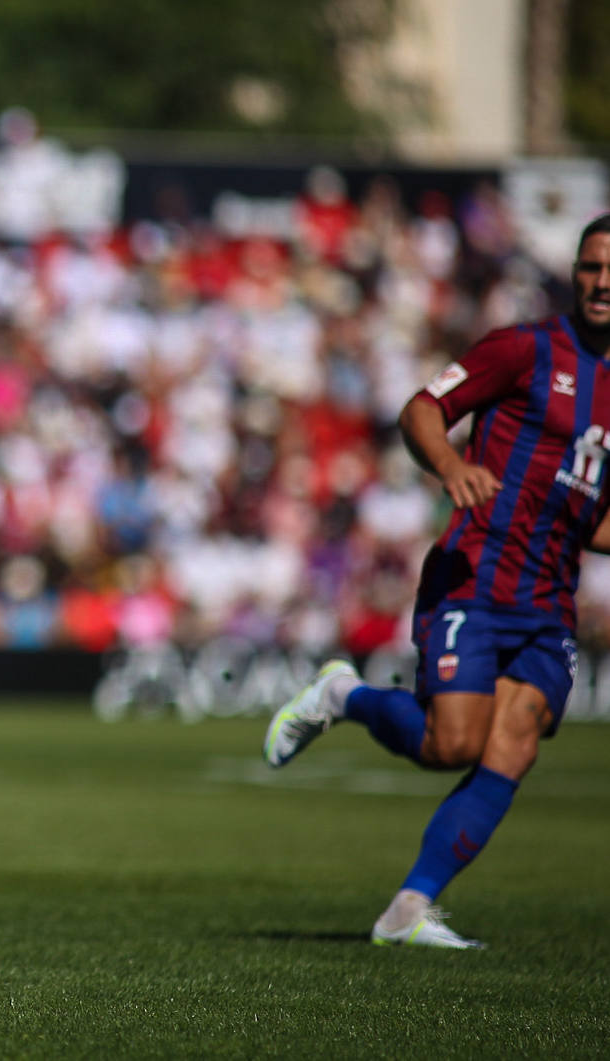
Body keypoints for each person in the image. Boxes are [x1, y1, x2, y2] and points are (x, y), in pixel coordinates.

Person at [262, 212, 610, 949]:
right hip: (476, 576)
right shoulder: (525, 347)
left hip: (548, 600)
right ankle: (341, 694)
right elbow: (421, 407)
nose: (601, 282)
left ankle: (408, 909)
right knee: (451, 744)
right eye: (590, 267)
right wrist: (451, 465)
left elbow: (591, 515)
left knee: (515, 744)